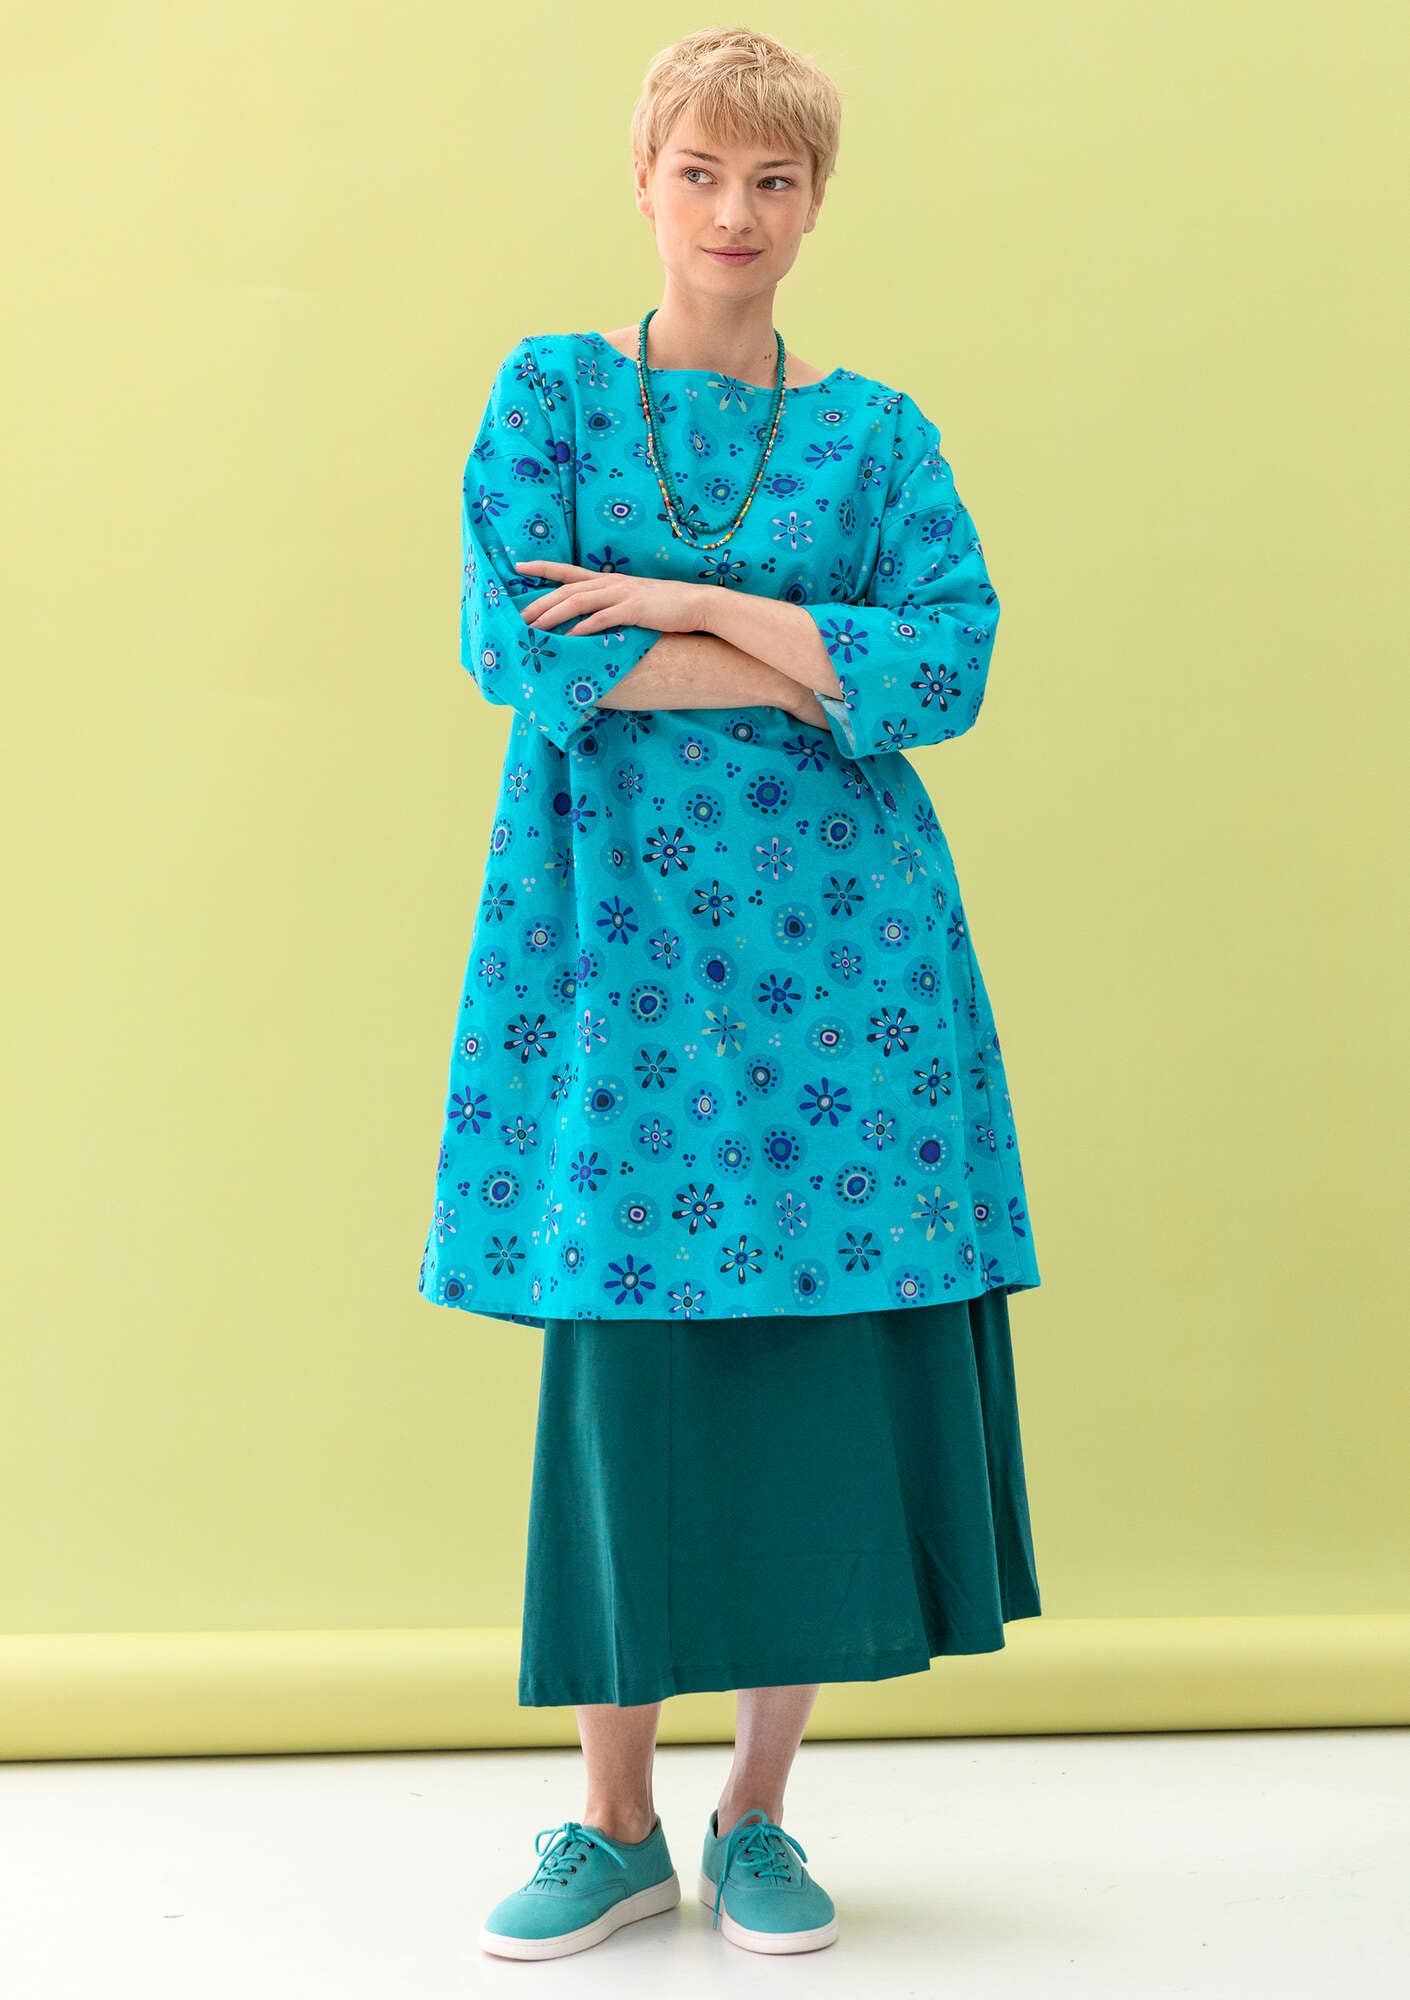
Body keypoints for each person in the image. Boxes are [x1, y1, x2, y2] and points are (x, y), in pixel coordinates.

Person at [417, 26, 1044, 1963]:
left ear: (815, 202)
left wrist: (688, 606)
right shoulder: (551, 396)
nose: (734, 212)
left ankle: (757, 1811)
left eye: (773, 181)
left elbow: (945, 667)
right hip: (613, 955)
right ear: (644, 183)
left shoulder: (879, 437)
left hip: (848, 975)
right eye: (700, 173)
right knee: (629, 1367)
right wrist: (805, 657)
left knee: (818, 1363)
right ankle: (612, 1820)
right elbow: (521, 648)